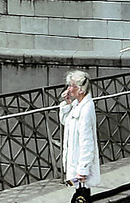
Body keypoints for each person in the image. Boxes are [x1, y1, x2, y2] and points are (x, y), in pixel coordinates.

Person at [61, 70, 99, 199]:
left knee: (81, 196)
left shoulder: (86, 109)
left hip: (79, 162)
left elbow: (87, 141)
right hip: (74, 160)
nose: (69, 89)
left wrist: (83, 169)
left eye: (72, 86)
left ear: (81, 89)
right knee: (79, 192)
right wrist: (67, 103)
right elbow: (65, 122)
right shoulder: (77, 105)